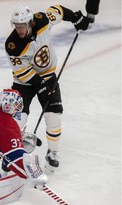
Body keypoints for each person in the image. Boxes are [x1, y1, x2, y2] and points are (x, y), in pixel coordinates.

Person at [5, 5, 89, 172]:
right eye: (16, 26)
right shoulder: (13, 45)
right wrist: (41, 86)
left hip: (48, 77)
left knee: (54, 115)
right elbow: (22, 72)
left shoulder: (42, 20)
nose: (18, 30)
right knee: (18, 119)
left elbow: (58, 10)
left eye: (21, 26)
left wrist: (76, 18)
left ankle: (53, 153)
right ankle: (11, 154)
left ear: (30, 24)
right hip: (24, 83)